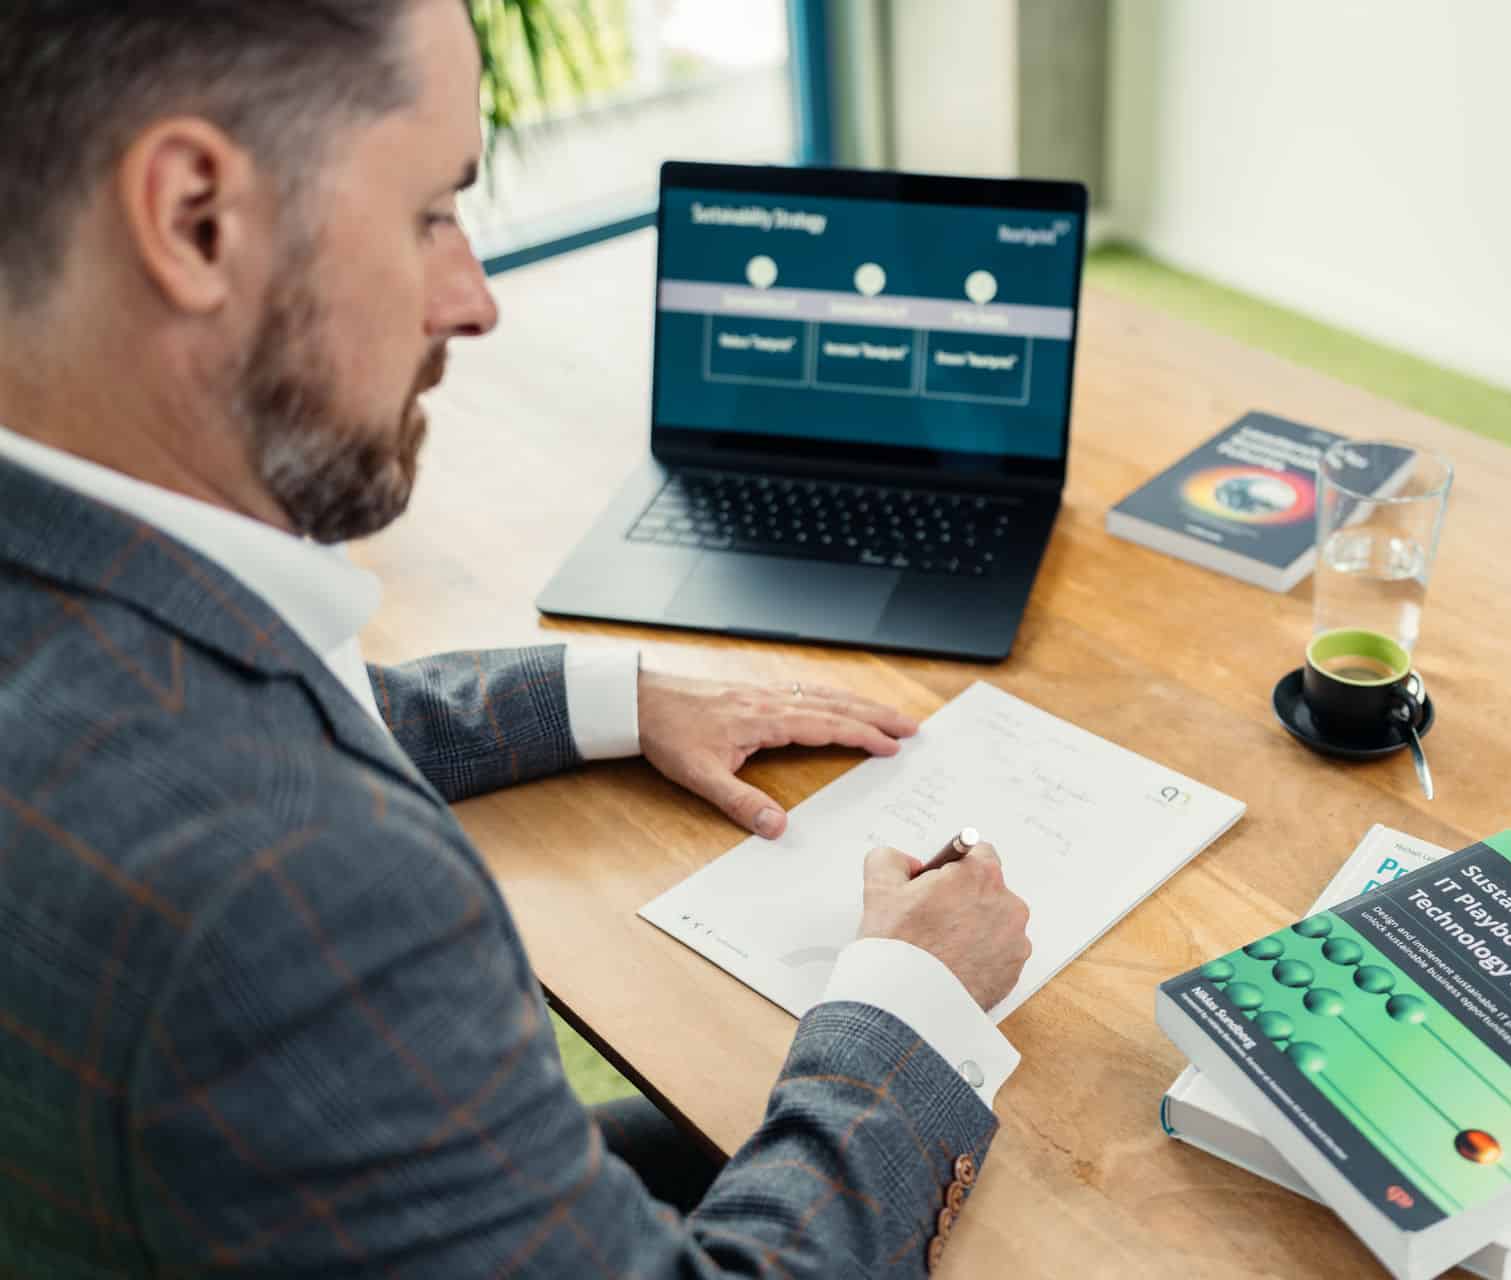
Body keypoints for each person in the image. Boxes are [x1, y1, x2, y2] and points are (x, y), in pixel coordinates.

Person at [0, 2, 1033, 1274]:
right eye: (431, 210)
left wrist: (616, 689)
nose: (474, 298)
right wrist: (908, 995)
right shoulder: (296, 883)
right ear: (195, 217)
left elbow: (266, 697)